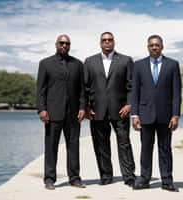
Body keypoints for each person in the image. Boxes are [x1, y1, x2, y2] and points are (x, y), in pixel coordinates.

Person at [84, 32, 135, 186]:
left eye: (110, 40)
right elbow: (84, 87)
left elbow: (131, 86)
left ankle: (129, 176)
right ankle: (106, 176)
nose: (107, 42)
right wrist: (85, 106)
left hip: (120, 110)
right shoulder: (89, 62)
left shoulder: (126, 60)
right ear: (100, 43)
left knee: (124, 143)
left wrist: (129, 104)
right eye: (104, 40)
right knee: (101, 145)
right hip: (97, 110)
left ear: (114, 42)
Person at [131, 35, 182, 192]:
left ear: (162, 47)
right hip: (145, 114)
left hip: (165, 116)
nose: (154, 47)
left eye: (157, 45)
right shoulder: (138, 65)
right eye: (152, 45)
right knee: (145, 149)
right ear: (148, 47)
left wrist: (175, 115)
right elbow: (135, 92)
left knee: (165, 149)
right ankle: (144, 179)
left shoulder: (172, 65)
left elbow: (176, 93)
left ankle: (166, 180)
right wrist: (134, 115)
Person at [36, 34, 86, 190]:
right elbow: (40, 90)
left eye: (67, 43)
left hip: (73, 114)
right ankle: (49, 179)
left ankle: (75, 178)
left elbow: (82, 90)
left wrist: (83, 107)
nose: (64, 45)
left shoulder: (78, 64)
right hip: (52, 113)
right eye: (62, 43)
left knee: (74, 146)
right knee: (51, 146)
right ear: (56, 44)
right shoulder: (45, 63)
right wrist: (42, 109)